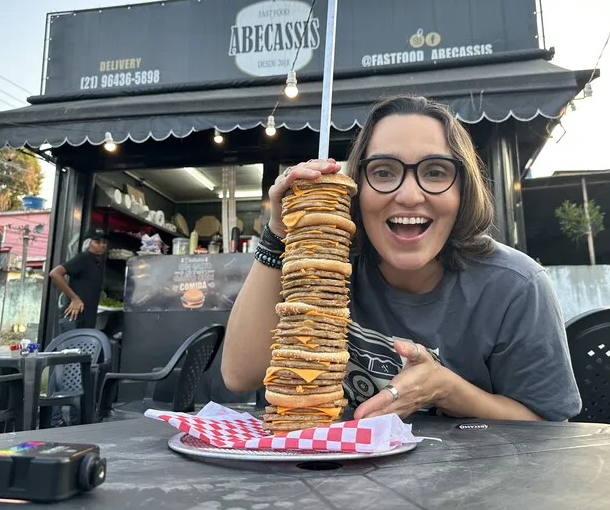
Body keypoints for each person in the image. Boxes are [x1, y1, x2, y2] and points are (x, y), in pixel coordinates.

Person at [222, 94, 582, 422]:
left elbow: (549, 425)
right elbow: (240, 375)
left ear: (463, 190)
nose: (409, 196)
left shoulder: (515, 287)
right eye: (383, 172)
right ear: (357, 189)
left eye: (435, 172)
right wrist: (279, 232)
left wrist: (447, 389)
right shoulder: (322, 267)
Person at [49, 228, 107, 333]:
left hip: (86, 319)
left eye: (104, 242)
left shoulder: (95, 263)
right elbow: (55, 273)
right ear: (88, 244)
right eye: (98, 242)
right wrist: (74, 298)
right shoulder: (83, 258)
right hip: (75, 318)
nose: (102, 245)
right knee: (72, 349)